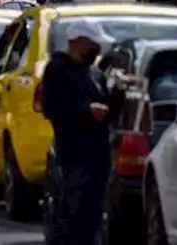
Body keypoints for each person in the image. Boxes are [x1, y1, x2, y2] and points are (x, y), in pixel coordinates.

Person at [41, 20, 120, 245]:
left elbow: (108, 111)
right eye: (92, 45)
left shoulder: (95, 74)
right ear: (78, 42)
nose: (96, 51)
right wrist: (86, 111)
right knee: (71, 212)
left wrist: (120, 93)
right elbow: (52, 108)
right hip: (74, 153)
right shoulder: (58, 69)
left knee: (93, 214)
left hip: (98, 154)